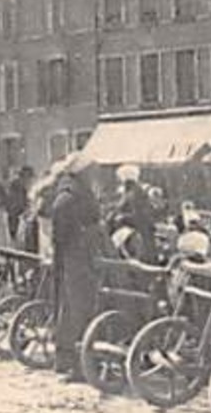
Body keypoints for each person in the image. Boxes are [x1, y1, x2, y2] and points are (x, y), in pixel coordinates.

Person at [47, 163, 102, 380]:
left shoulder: (66, 195)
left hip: (70, 257)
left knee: (68, 307)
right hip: (77, 259)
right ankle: (79, 363)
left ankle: (66, 359)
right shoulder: (73, 197)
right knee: (79, 308)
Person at [110, 164, 156, 263]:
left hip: (138, 231)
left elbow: (140, 215)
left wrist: (123, 218)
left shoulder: (136, 193)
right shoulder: (129, 193)